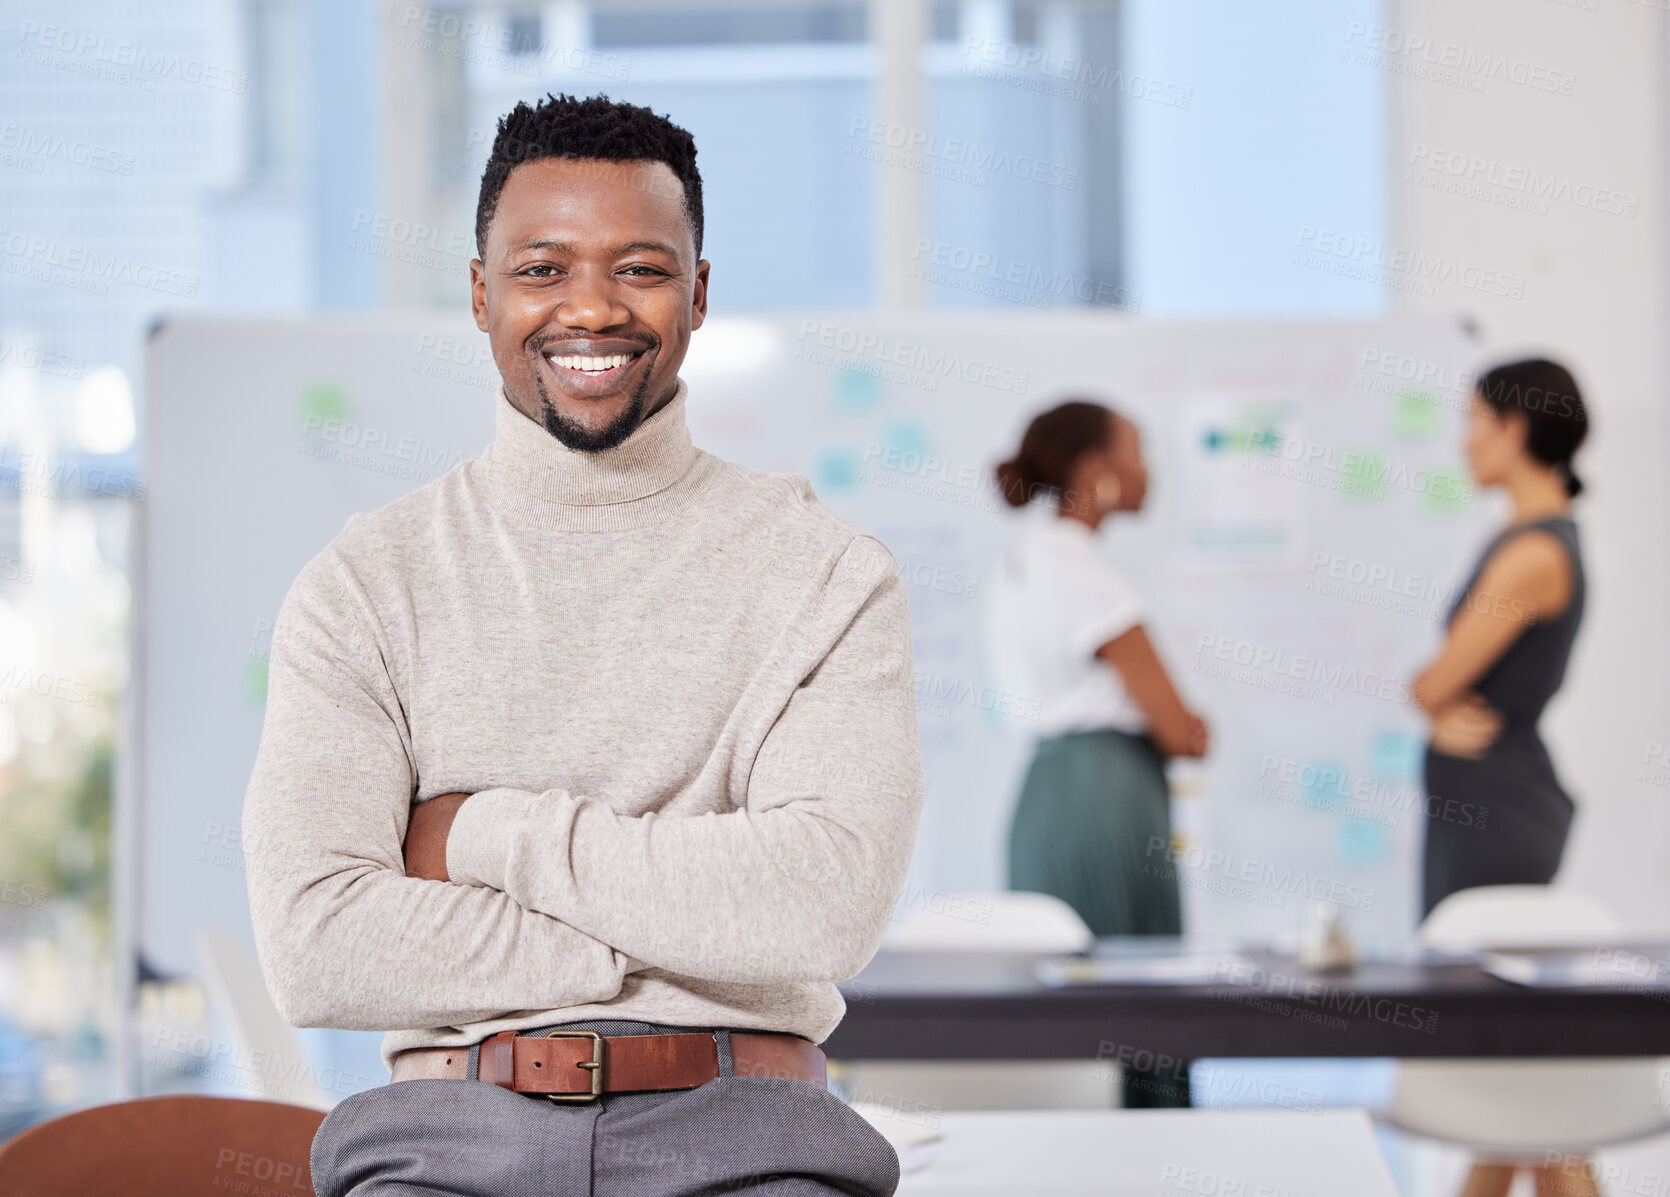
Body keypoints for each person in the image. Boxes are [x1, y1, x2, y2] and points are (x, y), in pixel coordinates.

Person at [241, 93, 925, 1197]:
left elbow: (820, 907)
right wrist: (667, 950)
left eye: (641, 270)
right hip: (444, 1143)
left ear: (698, 293)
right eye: (542, 269)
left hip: (750, 1141)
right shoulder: (363, 586)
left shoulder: (825, 574)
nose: (592, 309)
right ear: (480, 294)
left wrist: (485, 835)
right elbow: (317, 943)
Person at [982, 399, 1209, 1108]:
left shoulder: (1021, 566)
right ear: (1096, 470)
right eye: (1137, 450)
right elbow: (1185, 731)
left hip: (1047, 796)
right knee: (1139, 1007)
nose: (1150, 470)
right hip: (1109, 797)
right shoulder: (1086, 575)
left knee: (1068, 1020)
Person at [1413, 358, 1589, 919]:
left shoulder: (1532, 556)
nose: (1464, 443)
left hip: (1497, 812)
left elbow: (1434, 686)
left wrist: (1429, 700)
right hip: (1481, 804)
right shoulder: (1519, 540)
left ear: (1513, 429)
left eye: (1473, 421)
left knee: (1474, 997)